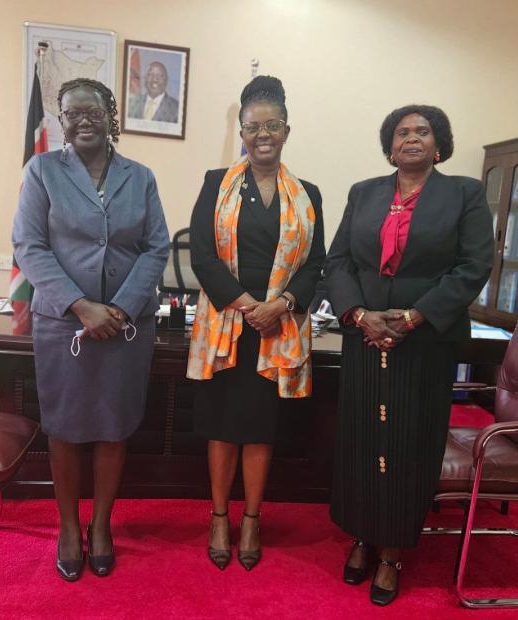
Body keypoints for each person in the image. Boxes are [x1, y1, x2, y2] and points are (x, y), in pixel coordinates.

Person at [325, 104, 493, 605]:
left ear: (439, 143)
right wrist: (358, 314)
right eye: (403, 132)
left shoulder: (464, 193)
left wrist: (413, 317)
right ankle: (361, 536)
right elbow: (338, 262)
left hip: (425, 343)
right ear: (390, 145)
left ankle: (394, 551)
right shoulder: (365, 193)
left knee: (408, 444)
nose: (412, 138)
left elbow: (474, 265)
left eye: (423, 131)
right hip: (364, 336)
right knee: (360, 439)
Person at [12, 78, 169, 581]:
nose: (82, 120)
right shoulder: (42, 171)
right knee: (64, 429)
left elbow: (156, 247)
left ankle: (101, 525)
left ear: (110, 115)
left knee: (113, 427)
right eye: (72, 113)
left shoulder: (140, 177)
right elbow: (29, 246)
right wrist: (82, 306)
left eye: (92, 111)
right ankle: (67, 527)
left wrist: (119, 308)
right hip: (65, 326)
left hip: (126, 327)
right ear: (61, 120)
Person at [187, 76, 326, 571]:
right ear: (241, 134)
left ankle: (252, 517)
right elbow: (201, 256)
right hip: (229, 327)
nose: (262, 134)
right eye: (252, 127)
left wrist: (282, 304)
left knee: (261, 429)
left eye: (272, 125)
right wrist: (250, 305)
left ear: (286, 130)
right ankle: (219, 515)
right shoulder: (214, 183)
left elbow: (316, 263)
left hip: (277, 330)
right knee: (223, 428)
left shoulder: (308, 194)